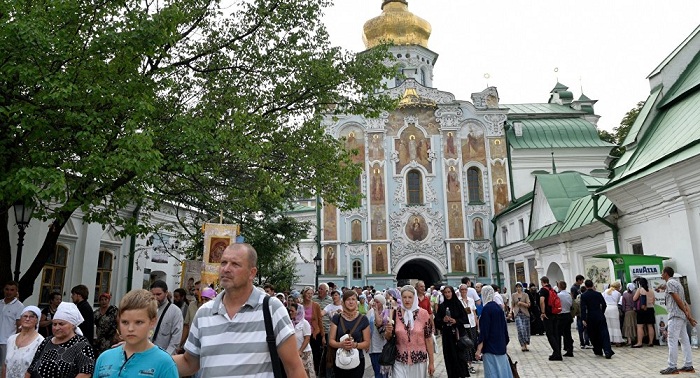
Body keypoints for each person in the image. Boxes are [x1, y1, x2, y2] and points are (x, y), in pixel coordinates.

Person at [173, 243, 305, 377]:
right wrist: (154, 359)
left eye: (235, 264)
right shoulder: (204, 313)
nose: (226, 269)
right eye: (223, 263)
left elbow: (294, 368)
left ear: (252, 273)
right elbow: (189, 363)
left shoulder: (271, 309)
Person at [93, 289, 178, 378]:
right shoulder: (104, 358)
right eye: (125, 322)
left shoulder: (164, 363)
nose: (130, 329)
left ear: (152, 322)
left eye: (138, 322)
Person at [27, 302, 95, 377]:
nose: (56, 328)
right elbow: (31, 368)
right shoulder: (47, 341)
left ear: (72, 325)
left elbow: (85, 373)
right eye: (54, 324)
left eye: (61, 324)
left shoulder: (81, 345)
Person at [385, 285, 435, 378]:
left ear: (414, 298)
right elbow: (388, 338)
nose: (407, 300)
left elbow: (428, 339)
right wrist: (388, 332)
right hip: (399, 359)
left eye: (410, 297)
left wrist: (431, 362)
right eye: (404, 297)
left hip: (418, 360)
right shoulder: (395, 313)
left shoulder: (423, 314)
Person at [660, 266, 697, 374]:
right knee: (684, 341)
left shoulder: (670, 283)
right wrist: (688, 315)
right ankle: (688, 364)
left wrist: (688, 316)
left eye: (662, 272)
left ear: (666, 273)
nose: (661, 274)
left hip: (675, 315)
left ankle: (672, 366)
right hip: (681, 316)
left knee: (672, 341)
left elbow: (678, 300)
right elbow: (684, 302)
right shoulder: (678, 284)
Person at [327, 290, 369, 378]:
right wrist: (341, 344)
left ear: (356, 301)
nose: (351, 302)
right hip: (340, 360)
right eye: (348, 299)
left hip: (357, 360)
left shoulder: (363, 319)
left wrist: (354, 345)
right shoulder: (337, 318)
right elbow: (331, 341)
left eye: (353, 299)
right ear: (343, 302)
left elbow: (367, 343)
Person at [475, 285, 512, 378]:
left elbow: (484, 331)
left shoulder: (486, 309)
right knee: (502, 372)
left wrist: (479, 350)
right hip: (500, 345)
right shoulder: (498, 308)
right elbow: (504, 328)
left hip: (490, 347)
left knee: (492, 372)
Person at [435, 286, 469, 377]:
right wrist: (443, 320)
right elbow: (437, 322)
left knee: (459, 356)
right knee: (449, 356)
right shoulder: (442, 306)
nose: (447, 294)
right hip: (447, 335)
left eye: (449, 292)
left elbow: (465, 318)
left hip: (457, 335)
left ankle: (462, 374)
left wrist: (456, 321)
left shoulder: (458, 304)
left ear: (452, 293)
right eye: (445, 293)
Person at [2, 306, 43, 378]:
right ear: (20, 318)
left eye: (32, 317)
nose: (27, 319)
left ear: (37, 320)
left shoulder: (40, 342)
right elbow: (5, 365)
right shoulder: (11, 339)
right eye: (25, 316)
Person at [580, 279, 614, 359]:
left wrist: (584, 319)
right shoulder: (598, 294)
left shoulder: (584, 295)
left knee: (593, 334)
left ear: (585, 286)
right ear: (592, 285)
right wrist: (601, 312)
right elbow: (604, 304)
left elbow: (583, 308)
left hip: (590, 316)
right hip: (599, 314)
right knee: (604, 333)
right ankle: (607, 350)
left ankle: (598, 349)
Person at [150, 280, 184, 355]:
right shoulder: (147, 309)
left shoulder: (175, 311)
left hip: (163, 356)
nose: (155, 297)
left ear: (166, 293)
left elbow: (175, 340)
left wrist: (166, 357)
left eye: (159, 294)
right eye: (153, 294)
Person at [300, 286, 324, 377]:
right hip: (303, 334)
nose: (309, 295)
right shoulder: (300, 306)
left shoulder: (315, 305)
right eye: (308, 293)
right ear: (304, 294)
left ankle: (315, 373)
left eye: (311, 294)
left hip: (314, 333)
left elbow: (319, 320)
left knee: (315, 354)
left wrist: (322, 335)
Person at [288, 303, 316, 378]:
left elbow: (307, 338)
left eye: (292, 311)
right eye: (290, 311)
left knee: (308, 374)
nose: (290, 312)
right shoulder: (290, 323)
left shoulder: (304, 323)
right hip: (294, 353)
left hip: (305, 353)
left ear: (298, 311)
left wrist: (300, 350)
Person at [0, 281, 23, 367]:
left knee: (4, 367)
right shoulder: (0, 303)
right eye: (7, 289)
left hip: (7, 342)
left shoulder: (19, 306)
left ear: (16, 291)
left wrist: (15, 342)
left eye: (12, 290)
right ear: (4, 290)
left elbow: (19, 326)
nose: (9, 292)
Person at [538, 276, 561, 361]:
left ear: (543, 282)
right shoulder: (552, 290)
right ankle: (557, 352)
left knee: (549, 334)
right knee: (555, 334)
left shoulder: (543, 290)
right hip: (555, 313)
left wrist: (543, 312)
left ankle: (557, 352)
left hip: (548, 314)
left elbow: (542, 301)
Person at [458, 284, 478, 375]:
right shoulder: (458, 301)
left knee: (471, 344)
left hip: (472, 324)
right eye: (462, 290)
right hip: (463, 325)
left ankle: (470, 362)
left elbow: (474, 312)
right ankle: (468, 365)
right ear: (459, 290)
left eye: (465, 289)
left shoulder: (471, 300)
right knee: (465, 344)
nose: (464, 291)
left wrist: (477, 325)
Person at [632, 277, 656, 348]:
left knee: (640, 326)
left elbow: (634, 298)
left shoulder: (640, 290)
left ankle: (639, 342)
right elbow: (654, 301)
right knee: (650, 325)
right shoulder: (651, 290)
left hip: (642, 310)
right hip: (650, 309)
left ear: (640, 283)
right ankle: (651, 342)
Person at [368, 294, 388, 378]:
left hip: (384, 345)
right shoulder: (370, 312)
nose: (375, 303)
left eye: (377, 302)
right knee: (377, 370)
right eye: (374, 301)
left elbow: (379, 323)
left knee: (385, 372)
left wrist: (376, 311)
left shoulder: (387, 311)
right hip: (373, 346)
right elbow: (367, 327)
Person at [510, 282, 531, 352]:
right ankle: (522, 344)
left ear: (522, 287)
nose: (518, 288)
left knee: (525, 329)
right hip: (517, 314)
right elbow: (512, 304)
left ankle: (526, 344)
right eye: (517, 287)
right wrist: (510, 312)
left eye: (519, 287)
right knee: (520, 329)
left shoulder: (525, 295)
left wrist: (522, 303)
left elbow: (528, 304)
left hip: (525, 314)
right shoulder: (513, 295)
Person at [602, 281, 624, 346]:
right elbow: (617, 301)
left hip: (607, 308)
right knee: (616, 325)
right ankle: (617, 341)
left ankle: (609, 339)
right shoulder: (618, 293)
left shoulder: (605, 292)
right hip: (614, 308)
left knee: (608, 325)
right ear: (617, 287)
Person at [556, 281, 574, 357]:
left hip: (561, 315)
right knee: (567, 333)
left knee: (558, 333)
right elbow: (571, 304)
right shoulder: (569, 295)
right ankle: (570, 349)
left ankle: (558, 350)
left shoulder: (559, 295)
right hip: (568, 314)